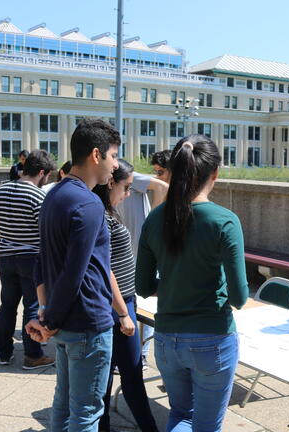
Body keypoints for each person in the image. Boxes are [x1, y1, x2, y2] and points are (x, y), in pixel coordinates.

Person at [135, 135, 249, 432]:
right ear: (215, 174)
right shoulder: (224, 220)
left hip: (166, 338)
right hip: (212, 338)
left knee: (181, 416)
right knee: (206, 426)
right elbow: (239, 296)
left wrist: (175, 285)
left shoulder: (156, 218)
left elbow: (144, 286)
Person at [25, 118, 120, 432]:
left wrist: (47, 314)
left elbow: (44, 262)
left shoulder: (55, 194)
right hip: (87, 325)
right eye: (113, 156)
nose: (115, 166)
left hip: (66, 324)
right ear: (96, 155)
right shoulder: (88, 203)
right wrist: (49, 320)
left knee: (63, 407)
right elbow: (74, 273)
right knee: (85, 415)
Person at [92, 159, 159, 432]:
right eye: (126, 187)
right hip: (117, 305)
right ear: (111, 182)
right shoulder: (102, 216)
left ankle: (106, 425)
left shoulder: (104, 212)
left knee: (112, 373)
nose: (129, 193)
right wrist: (122, 312)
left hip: (118, 303)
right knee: (128, 373)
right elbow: (104, 268)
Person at [0, 149, 56, 370]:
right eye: (47, 176)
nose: (47, 180)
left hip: (5, 254)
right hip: (30, 257)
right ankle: (32, 355)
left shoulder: (1, 189)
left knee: (7, 305)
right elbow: (45, 231)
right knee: (32, 305)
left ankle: (4, 353)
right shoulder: (38, 196)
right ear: (41, 172)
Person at [116, 150, 170, 369]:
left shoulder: (132, 177)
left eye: (160, 171)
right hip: (133, 250)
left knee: (143, 305)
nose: (156, 176)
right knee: (135, 306)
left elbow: (161, 187)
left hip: (140, 251)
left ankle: (142, 355)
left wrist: (152, 222)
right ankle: (136, 354)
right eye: (155, 171)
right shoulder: (132, 179)